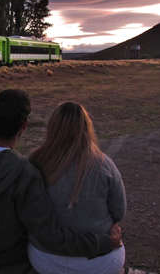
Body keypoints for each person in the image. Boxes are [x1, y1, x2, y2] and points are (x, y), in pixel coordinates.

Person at [0, 90, 121, 265]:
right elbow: (49, 236)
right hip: (13, 258)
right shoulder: (24, 172)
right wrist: (103, 242)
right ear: (24, 126)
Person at [28, 101, 126, 274]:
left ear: (53, 128)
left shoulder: (35, 161)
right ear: (86, 128)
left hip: (47, 261)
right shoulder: (104, 164)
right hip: (99, 262)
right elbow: (119, 211)